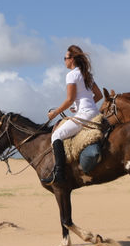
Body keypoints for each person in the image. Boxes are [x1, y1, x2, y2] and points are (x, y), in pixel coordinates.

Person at [43, 45, 103, 185]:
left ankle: (59, 173)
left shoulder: (71, 75)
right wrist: (79, 107)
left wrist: (54, 113)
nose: (64, 60)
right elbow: (99, 95)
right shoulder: (87, 74)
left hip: (84, 115)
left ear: (72, 59)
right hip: (93, 112)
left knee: (56, 135)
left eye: (65, 58)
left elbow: (69, 99)